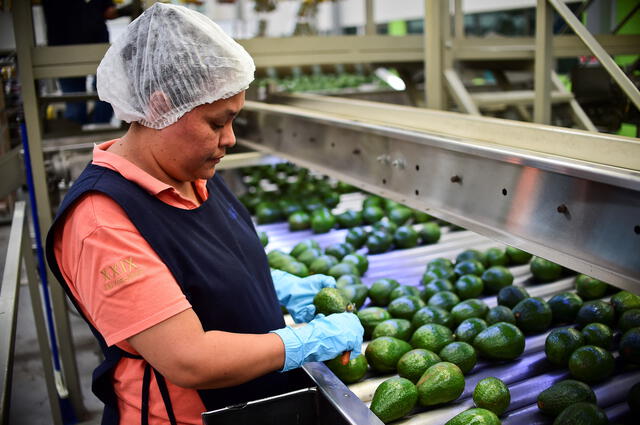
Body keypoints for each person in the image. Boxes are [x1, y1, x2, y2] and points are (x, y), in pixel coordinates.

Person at [44, 4, 363, 425]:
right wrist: (307, 341)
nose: (229, 139)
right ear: (160, 109)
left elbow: (207, 260)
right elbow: (189, 360)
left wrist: (274, 285)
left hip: (252, 403)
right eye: (217, 122)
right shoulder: (102, 220)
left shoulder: (191, 172)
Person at [41, 0, 141, 125]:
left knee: (77, 101)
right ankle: (96, 128)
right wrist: (132, 8)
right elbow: (109, 12)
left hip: (67, 48)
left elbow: (108, 12)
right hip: (84, 47)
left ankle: (87, 130)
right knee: (107, 94)